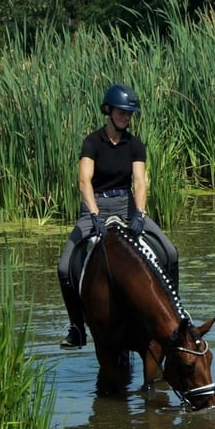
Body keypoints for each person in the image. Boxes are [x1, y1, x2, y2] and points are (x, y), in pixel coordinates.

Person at [56, 83, 180, 349]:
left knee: (170, 253)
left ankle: (175, 318)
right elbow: (84, 181)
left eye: (130, 113)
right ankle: (77, 328)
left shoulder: (135, 145)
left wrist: (140, 213)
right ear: (109, 111)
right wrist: (95, 214)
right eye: (122, 112)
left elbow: (140, 181)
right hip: (96, 205)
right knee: (64, 267)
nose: (126, 117)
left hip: (127, 205)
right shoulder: (92, 142)